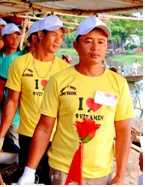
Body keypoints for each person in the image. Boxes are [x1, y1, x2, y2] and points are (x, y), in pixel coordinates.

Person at [18, 16, 134, 185]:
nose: (95, 47)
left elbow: (123, 131)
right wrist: (30, 170)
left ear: (107, 46)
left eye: (101, 42)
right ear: (76, 46)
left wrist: (121, 174)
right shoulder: (59, 80)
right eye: (88, 41)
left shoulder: (119, 83)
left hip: (101, 172)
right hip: (62, 169)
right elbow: (44, 127)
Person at [0, 16, 70, 184]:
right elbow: (12, 101)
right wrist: (1, 136)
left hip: (55, 137)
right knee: (29, 179)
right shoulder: (19, 63)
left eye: (61, 37)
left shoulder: (64, 69)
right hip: (28, 134)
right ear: (40, 35)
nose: (58, 41)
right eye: (54, 35)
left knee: (50, 180)